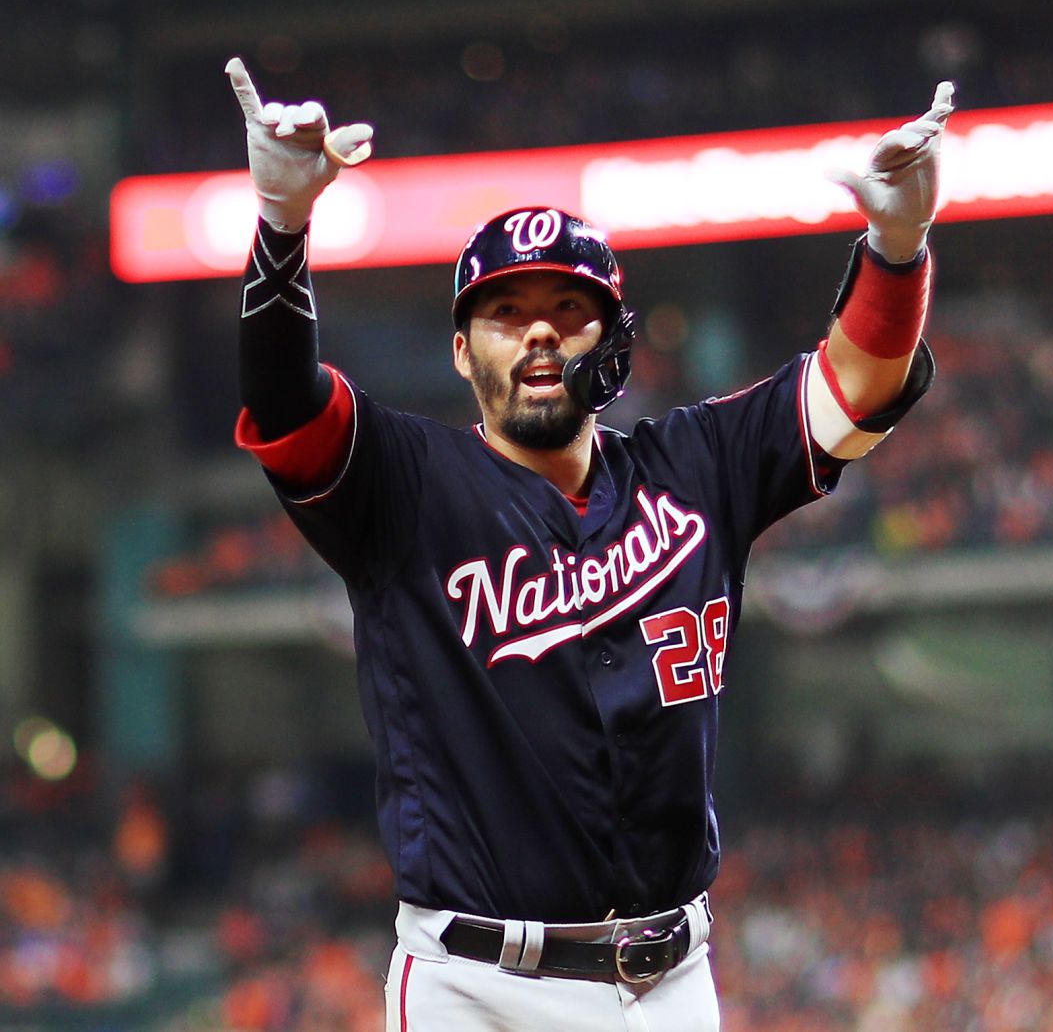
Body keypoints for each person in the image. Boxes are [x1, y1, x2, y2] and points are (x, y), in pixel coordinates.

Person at [224, 55, 952, 1031]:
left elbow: (858, 386)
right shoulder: (402, 488)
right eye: (505, 312)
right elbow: (284, 405)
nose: (537, 335)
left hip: (671, 979)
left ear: (615, 345)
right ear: (461, 349)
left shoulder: (697, 470)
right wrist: (281, 228)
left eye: (569, 311)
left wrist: (897, 243)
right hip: (474, 986)